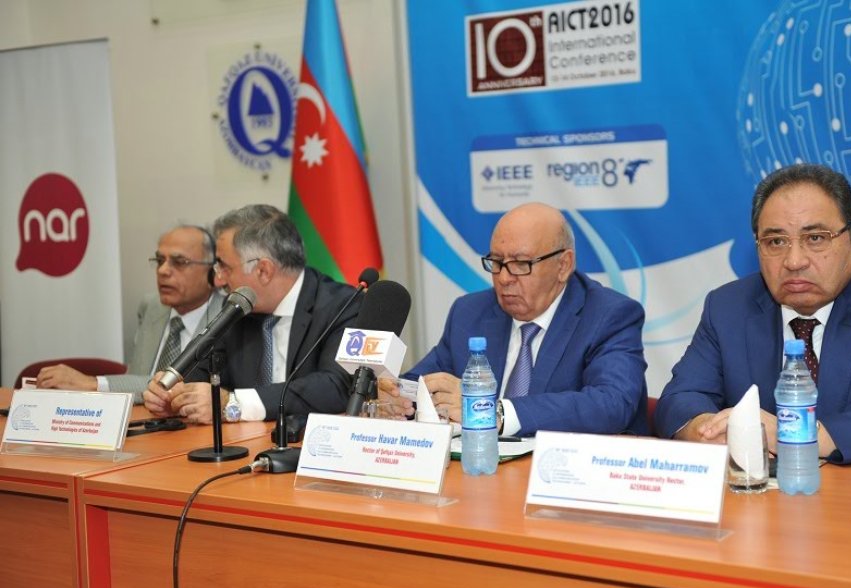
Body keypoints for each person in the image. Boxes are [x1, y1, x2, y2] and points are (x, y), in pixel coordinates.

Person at [655, 164, 851, 463]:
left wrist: (795, 433)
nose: (794, 261)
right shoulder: (728, 307)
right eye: (776, 242)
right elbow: (680, 399)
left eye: (815, 238)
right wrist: (707, 429)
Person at [382, 202, 647, 437]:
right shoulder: (470, 312)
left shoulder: (609, 315)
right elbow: (424, 382)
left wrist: (494, 412)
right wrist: (396, 396)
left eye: (521, 264)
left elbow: (611, 403)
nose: (504, 277)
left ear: (563, 265)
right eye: (497, 262)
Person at [143, 204, 361, 424]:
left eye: (224, 267)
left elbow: (338, 386)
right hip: (244, 440)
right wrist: (172, 393)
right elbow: (201, 369)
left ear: (263, 271)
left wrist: (233, 404)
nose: (217, 280)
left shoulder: (343, 306)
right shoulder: (238, 306)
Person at [35, 225, 224, 404]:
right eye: (159, 261)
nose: (163, 271)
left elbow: (181, 386)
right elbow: (139, 378)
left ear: (213, 271)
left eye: (179, 262)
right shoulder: (152, 306)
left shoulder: (226, 316)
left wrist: (93, 383)